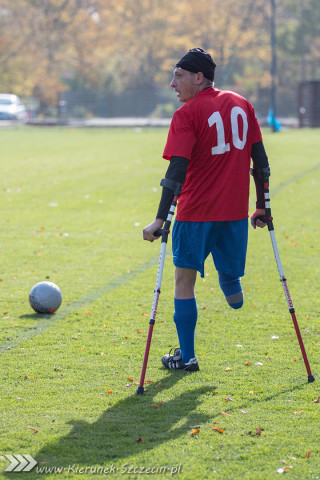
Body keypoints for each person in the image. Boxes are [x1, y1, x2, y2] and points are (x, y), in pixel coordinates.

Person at [143, 48, 270, 371]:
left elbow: (177, 171)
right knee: (230, 282)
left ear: (199, 78)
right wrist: (261, 207)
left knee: (183, 282)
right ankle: (231, 287)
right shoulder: (244, 104)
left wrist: (160, 218)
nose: (173, 83)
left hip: (195, 214)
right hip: (235, 215)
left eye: (179, 76)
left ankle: (186, 358)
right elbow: (262, 163)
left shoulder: (186, 115)